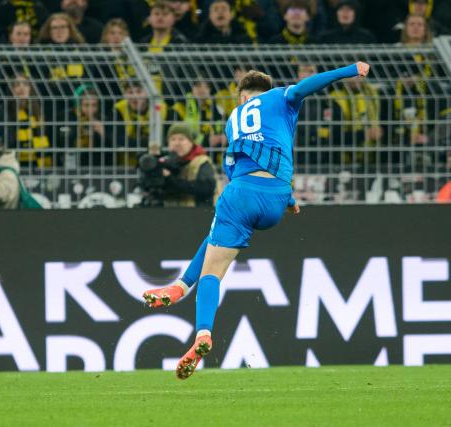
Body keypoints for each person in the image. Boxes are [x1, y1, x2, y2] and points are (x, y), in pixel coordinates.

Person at [142, 61, 370, 379]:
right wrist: (350, 69)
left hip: (242, 192)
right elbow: (307, 85)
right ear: (267, 89)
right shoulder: (280, 96)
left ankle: (200, 326)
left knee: (214, 267)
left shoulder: (235, 119)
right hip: (276, 198)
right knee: (216, 239)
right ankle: (180, 285)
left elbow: (233, 167)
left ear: (242, 96)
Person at [160, 123, 216, 207]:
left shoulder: (201, 162)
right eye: (173, 139)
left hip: (197, 214)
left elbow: (206, 188)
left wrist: (171, 179)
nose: (177, 143)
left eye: (181, 139)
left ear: (191, 143)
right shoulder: (164, 163)